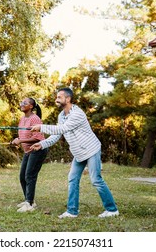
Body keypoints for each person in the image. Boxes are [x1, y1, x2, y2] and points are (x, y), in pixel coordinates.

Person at [30, 88, 119, 218]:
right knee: (73, 179)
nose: (56, 99)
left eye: (59, 97)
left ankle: (112, 210)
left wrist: (41, 127)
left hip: (91, 149)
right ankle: (72, 211)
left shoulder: (77, 114)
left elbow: (64, 128)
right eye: (57, 97)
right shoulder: (61, 116)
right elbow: (58, 133)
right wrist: (42, 144)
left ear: (68, 99)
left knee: (96, 180)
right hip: (78, 153)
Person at [11, 98, 48, 212]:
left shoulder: (35, 119)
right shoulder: (22, 119)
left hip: (38, 150)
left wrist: (20, 141)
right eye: (21, 102)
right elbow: (23, 136)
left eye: (25, 103)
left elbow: (38, 138)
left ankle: (30, 204)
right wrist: (18, 141)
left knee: (29, 176)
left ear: (31, 106)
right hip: (28, 151)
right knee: (23, 177)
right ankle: (29, 199)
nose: (21, 104)